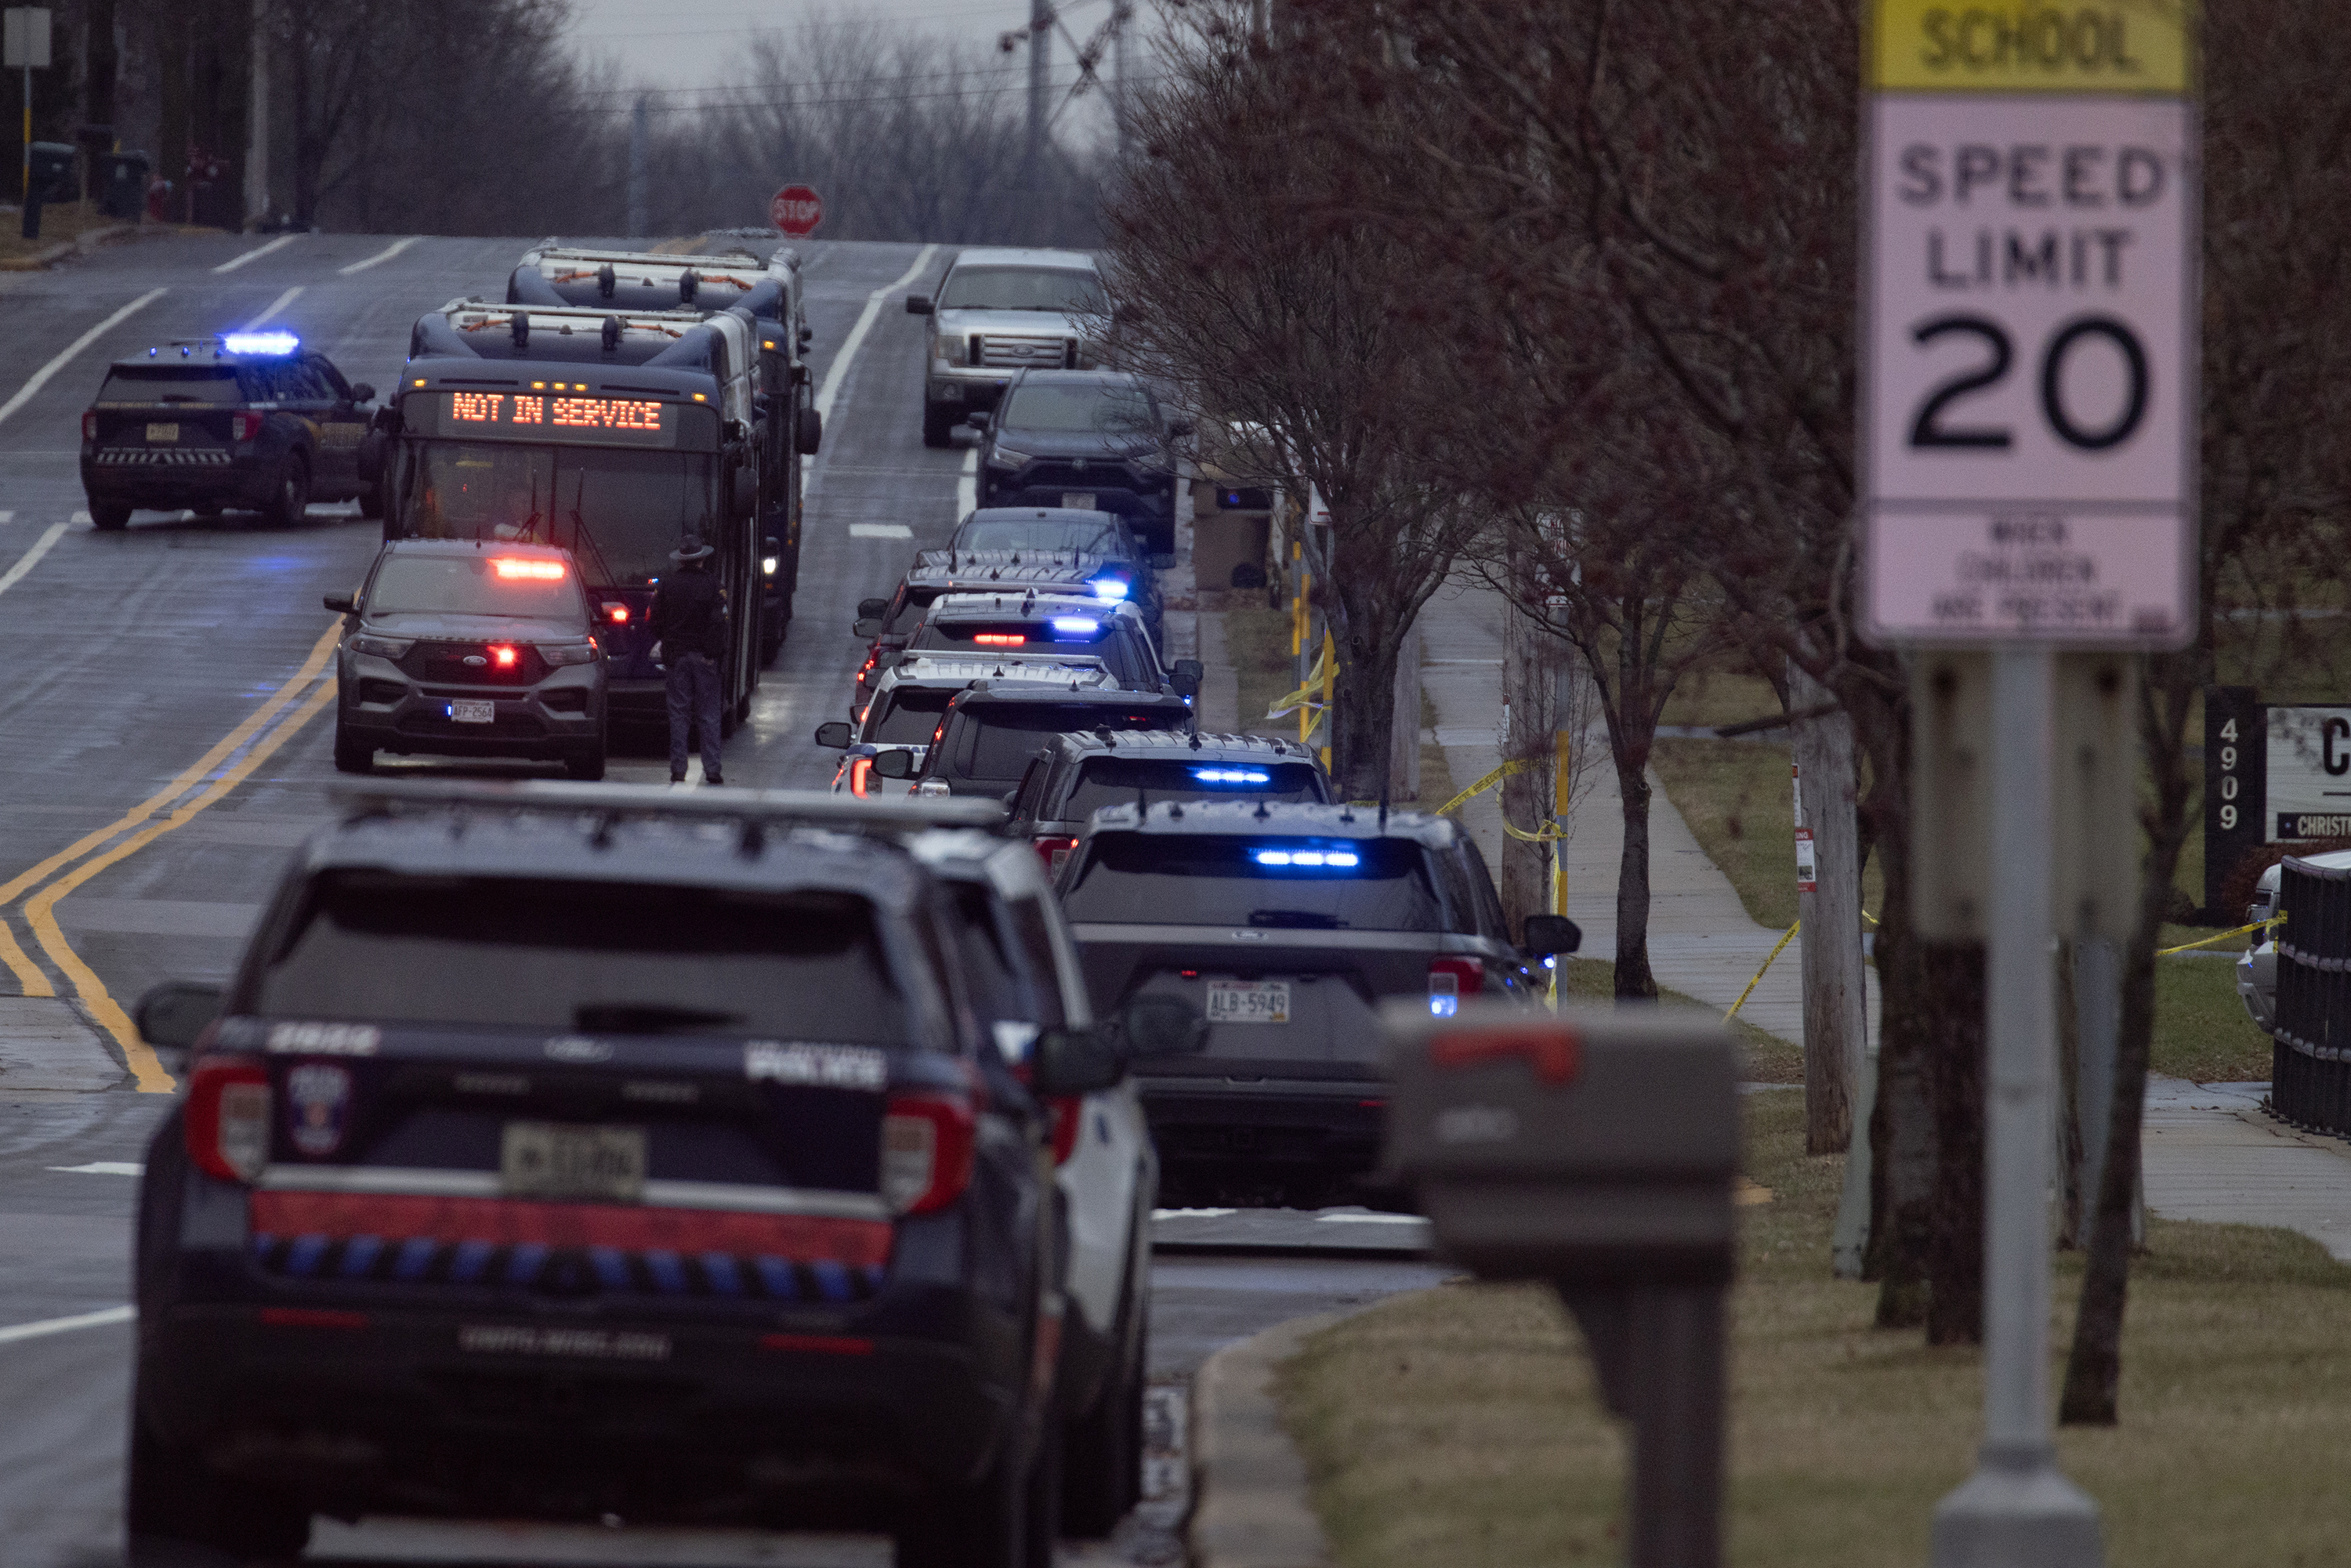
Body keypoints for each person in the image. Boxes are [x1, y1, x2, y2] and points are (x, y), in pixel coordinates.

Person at [649, 534, 729, 784]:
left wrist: (669, 643)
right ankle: (713, 770)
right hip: (705, 659)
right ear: (702, 559)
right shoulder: (714, 585)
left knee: (679, 714)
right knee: (708, 714)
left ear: (681, 560)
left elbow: (654, 621)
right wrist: (712, 653)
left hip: (677, 657)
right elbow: (720, 623)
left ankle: (678, 770)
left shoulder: (667, 585)